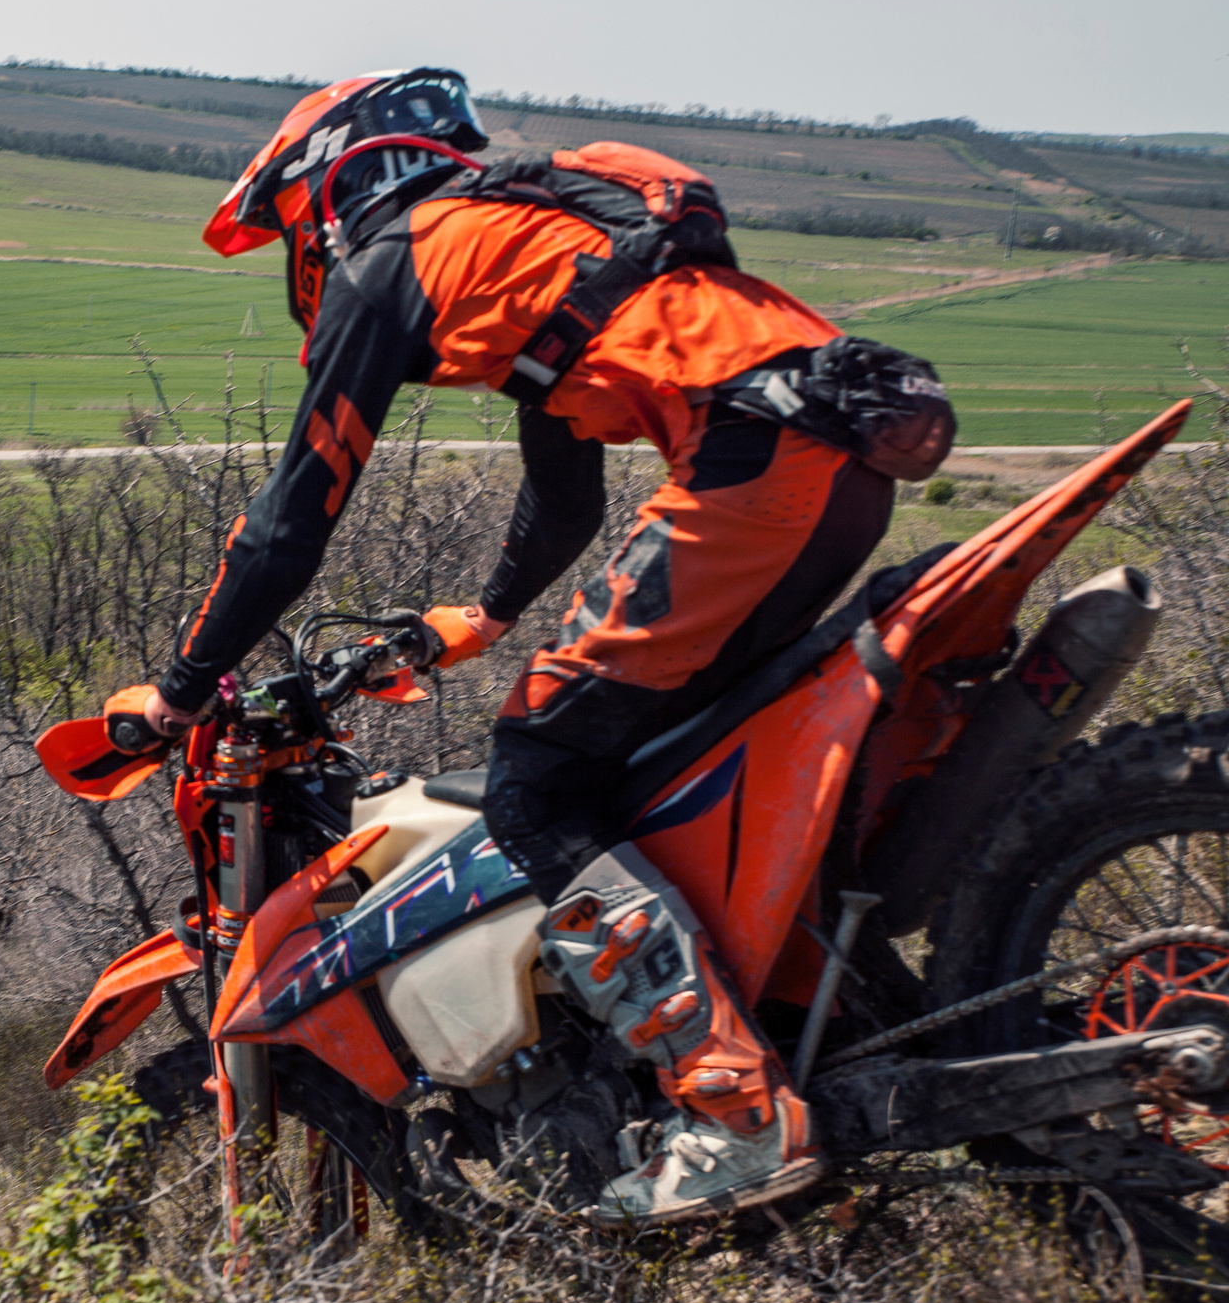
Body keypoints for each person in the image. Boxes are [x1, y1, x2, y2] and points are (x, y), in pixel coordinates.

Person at [134, 67, 953, 1226]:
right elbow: (560, 503)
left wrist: (181, 688)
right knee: (672, 751)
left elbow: (287, 526)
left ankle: (730, 1104)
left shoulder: (389, 259)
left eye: (290, 230)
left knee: (532, 782)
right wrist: (481, 618)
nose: (299, 257)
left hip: (748, 468)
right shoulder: (537, 241)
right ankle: (827, 1028)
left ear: (327, 187)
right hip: (838, 459)